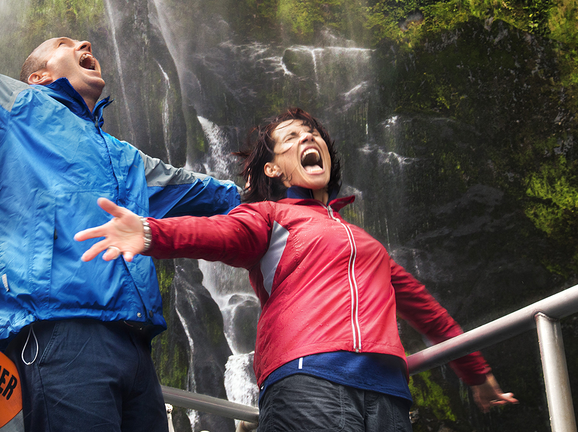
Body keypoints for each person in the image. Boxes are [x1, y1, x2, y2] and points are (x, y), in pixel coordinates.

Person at [76, 107, 518, 431]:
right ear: (272, 167)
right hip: (308, 381)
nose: (307, 139)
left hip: (388, 394)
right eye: (290, 137)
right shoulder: (269, 216)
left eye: (312, 133)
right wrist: (152, 234)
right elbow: (220, 235)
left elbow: (427, 312)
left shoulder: (369, 246)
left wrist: (476, 374)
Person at [0, 37, 240, 432]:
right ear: (38, 78)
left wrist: (266, 196)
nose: (85, 42)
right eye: (64, 43)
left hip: (136, 345)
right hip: (61, 332)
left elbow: (199, 190)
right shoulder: (19, 108)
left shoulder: (124, 157)